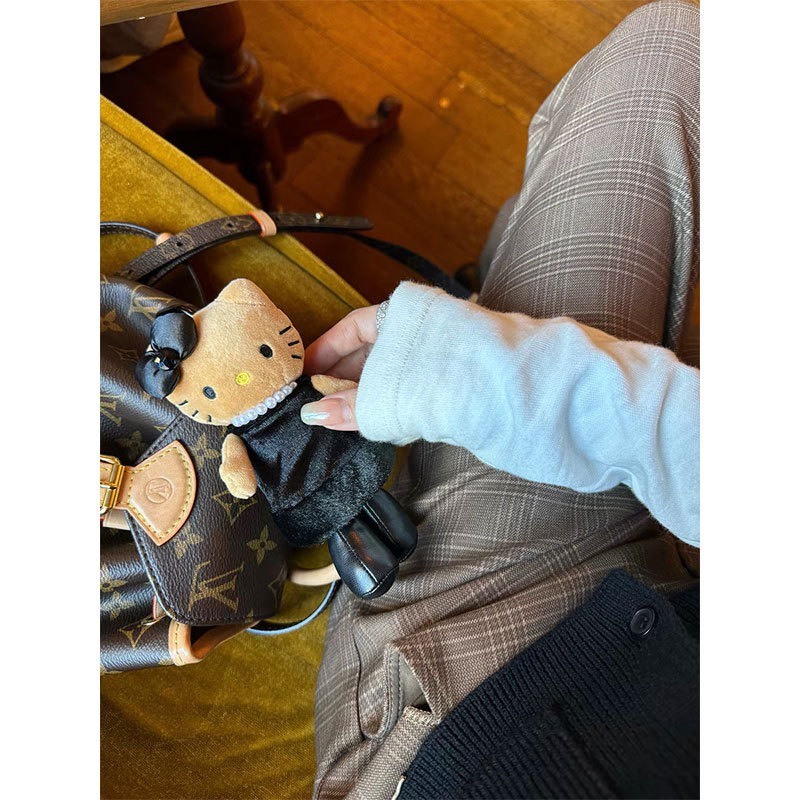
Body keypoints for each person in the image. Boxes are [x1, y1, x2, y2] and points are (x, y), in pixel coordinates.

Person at [301, 1, 700, 797]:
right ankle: (490, 285)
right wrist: (486, 370)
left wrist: (483, 374)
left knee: (673, 53)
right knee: (676, 57)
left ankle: (489, 288)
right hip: (656, 657)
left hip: (491, 706)